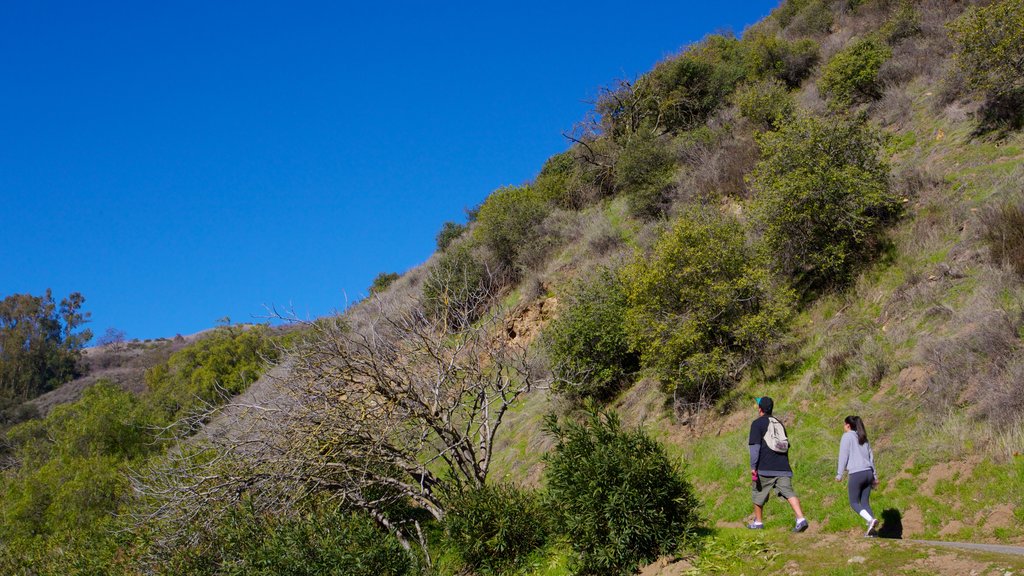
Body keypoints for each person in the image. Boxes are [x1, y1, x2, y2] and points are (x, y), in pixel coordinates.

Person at [747, 396, 808, 532]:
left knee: (758, 493)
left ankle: (758, 522)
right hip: (783, 467)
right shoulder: (779, 423)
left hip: (765, 467)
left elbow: (755, 447)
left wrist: (753, 467)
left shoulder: (757, 424)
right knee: (789, 492)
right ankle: (801, 519)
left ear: (760, 408)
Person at [836, 415, 880, 536]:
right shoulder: (863, 437)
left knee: (854, 502)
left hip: (857, 474)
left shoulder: (847, 437)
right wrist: (875, 476)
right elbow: (871, 458)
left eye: (844, 424)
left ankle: (871, 520)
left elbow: (843, 456)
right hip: (868, 473)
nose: (843, 427)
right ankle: (872, 532)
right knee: (865, 503)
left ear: (848, 425)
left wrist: (839, 474)